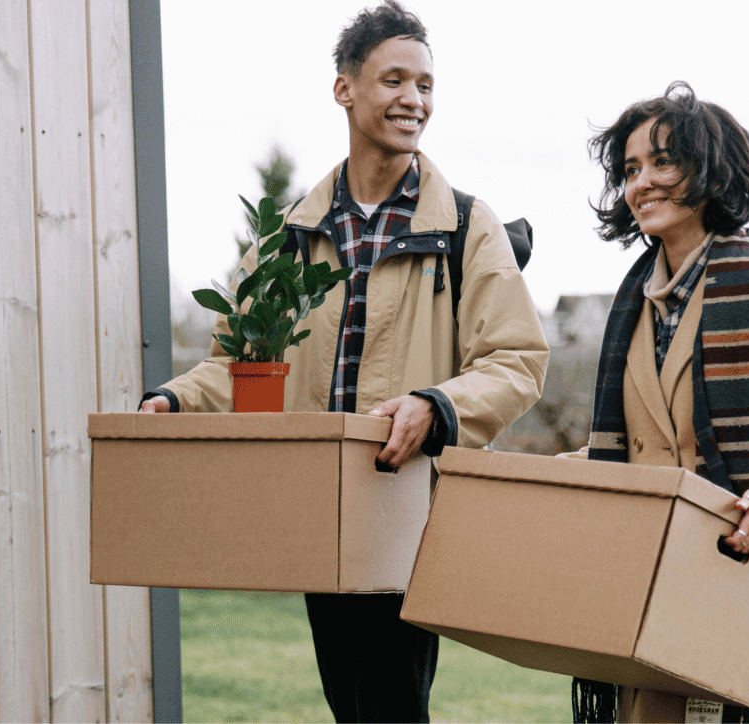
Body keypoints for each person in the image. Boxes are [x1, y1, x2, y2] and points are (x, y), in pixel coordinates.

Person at [140, 2, 549, 721]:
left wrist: (436, 407)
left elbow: (516, 360)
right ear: (345, 89)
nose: (414, 99)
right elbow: (240, 367)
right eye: (394, 80)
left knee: (390, 704)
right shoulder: (288, 239)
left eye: (425, 84)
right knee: (350, 704)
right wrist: (175, 400)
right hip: (316, 512)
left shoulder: (464, 226)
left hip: (408, 511)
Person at [563, 81, 749, 724]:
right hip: (645, 585)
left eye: (662, 162)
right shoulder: (630, 309)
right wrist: (530, 476)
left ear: (710, 171)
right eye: (630, 169)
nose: (641, 183)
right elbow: (634, 450)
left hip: (742, 580)